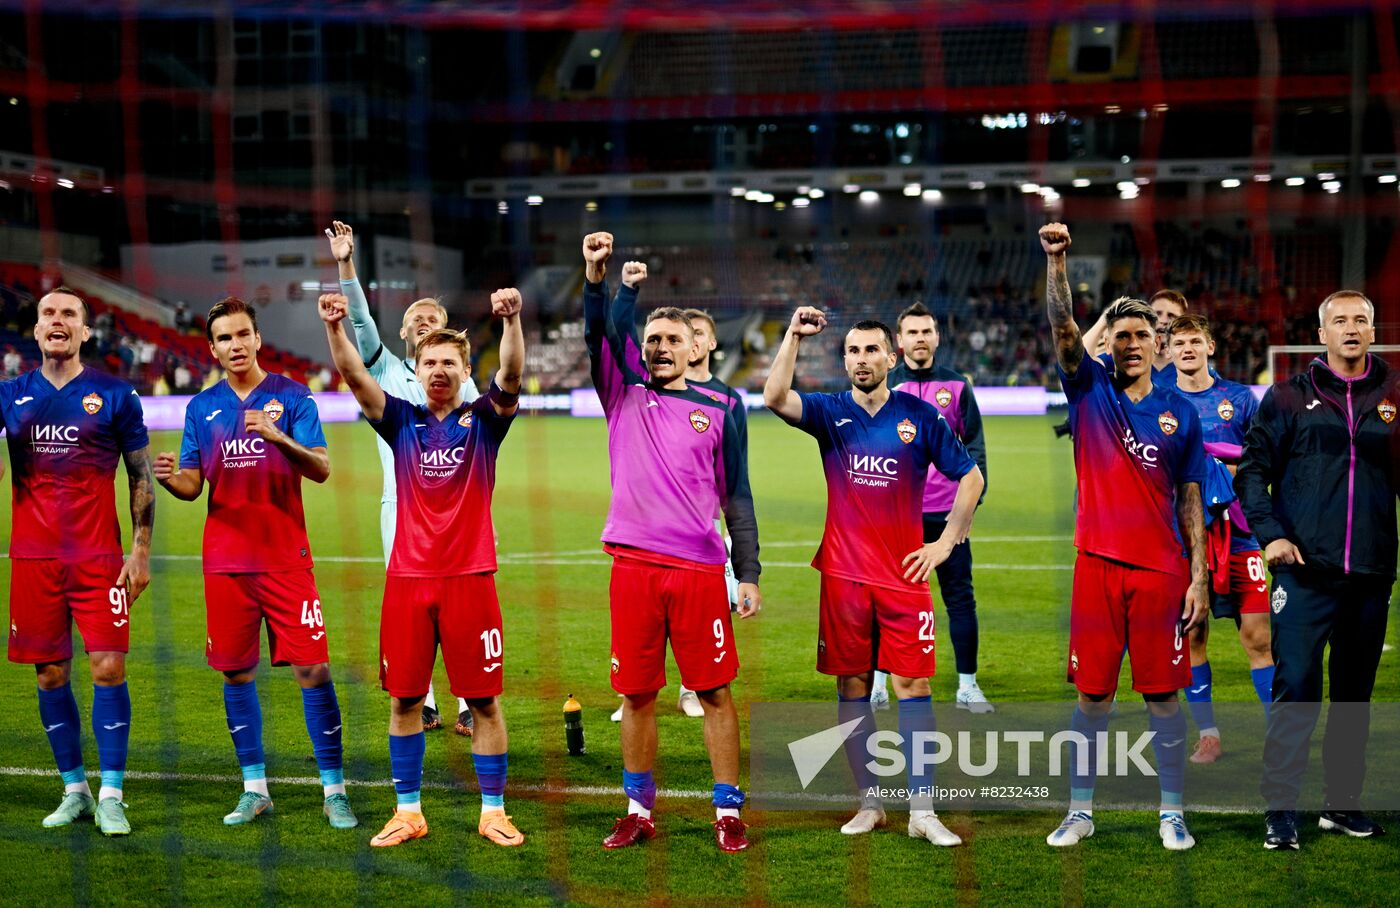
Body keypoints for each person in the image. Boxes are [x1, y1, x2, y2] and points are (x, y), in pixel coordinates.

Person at [764, 306, 983, 846]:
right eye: (852, 351)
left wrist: (945, 543)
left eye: (871, 350)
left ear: (892, 356)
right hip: (843, 576)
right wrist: (792, 335)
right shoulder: (828, 410)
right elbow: (773, 398)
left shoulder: (921, 416)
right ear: (845, 360)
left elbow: (972, 477)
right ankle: (871, 803)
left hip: (904, 575)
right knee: (853, 685)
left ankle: (923, 810)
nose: (862, 360)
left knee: (914, 684)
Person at [319, 287, 525, 849]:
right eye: (430, 361)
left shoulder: (485, 422)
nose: (438, 370)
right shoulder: (400, 420)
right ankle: (408, 811)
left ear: (463, 372)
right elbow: (356, 376)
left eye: (449, 363)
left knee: (483, 700)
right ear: (418, 367)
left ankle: (494, 812)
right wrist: (336, 328)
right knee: (405, 700)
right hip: (407, 583)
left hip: (470, 581)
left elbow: (510, 371)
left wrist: (509, 321)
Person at [580, 232, 761, 853]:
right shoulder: (622, 394)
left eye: (672, 340)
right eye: (651, 339)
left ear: (695, 348)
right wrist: (607, 282)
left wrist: (750, 570)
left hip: (698, 570)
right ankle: (638, 809)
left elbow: (737, 494)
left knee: (713, 691)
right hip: (632, 567)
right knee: (635, 693)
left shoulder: (721, 406)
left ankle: (727, 813)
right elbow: (599, 334)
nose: (659, 347)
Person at [153, 297, 356, 830]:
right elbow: (195, 486)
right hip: (226, 563)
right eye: (224, 338)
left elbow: (322, 469)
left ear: (258, 338)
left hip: (286, 558)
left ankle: (334, 791)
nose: (235, 345)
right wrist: (170, 477)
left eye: (243, 334)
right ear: (214, 348)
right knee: (237, 673)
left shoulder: (291, 396)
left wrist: (279, 437)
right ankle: (254, 788)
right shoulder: (202, 408)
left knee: (314, 670)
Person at [1038, 224, 1209, 852]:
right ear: (1106, 343)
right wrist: (1056, 263)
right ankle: (1079, 811)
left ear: (1157, 343)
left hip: (1162, 573)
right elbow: (1062, 329)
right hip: (1097, 568)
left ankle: (1171, 813)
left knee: (1164, 698)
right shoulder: (1088, 391)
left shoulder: (1179, 413)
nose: (1132, 343)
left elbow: (1190, 497)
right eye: (1121, 335)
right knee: (1092, 699)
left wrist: (1197, 577)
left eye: (1142, 335)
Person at [1235, 290, 1397, 850]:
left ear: (1373, 332)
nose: (1351, 328)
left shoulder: (1395, 397)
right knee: (1297, 689)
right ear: (1322, 333)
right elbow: (1252, 473)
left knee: (1354, 697)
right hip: (1304, 575)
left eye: (1361, 320)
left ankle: (1341, 804)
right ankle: (1281, 810)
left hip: (1371, 575)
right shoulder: (1285, 397)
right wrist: (1272, 534)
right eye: (1340, 321)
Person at [1, 287, 153, 836]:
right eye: (48, 314)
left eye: (69, 314)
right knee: (49, 674)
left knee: (108, 667)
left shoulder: (115, 394)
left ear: (86, 331)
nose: (57, 321)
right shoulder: (11, 394)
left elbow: (141, 475)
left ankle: (111, 793)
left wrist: (140, 549)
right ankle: (75, 790)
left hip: (98, 559)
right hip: (34, 558)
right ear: (36, 330)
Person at [325, 220, 480, 736]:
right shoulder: (386, 368)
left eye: (433, 317)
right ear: (402, 333)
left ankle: (467, 701)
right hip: (401, 505)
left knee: (463, 604)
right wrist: (346, 264)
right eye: (415, 318)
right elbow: (362, 320)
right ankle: (427, 701)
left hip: (459, 510)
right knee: (410, 604)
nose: (423, 321)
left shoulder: (462, 377)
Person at [869, 301, 991, 714]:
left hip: (946, 517)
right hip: (895, 518)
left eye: (927, 331)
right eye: (912, 333)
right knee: (884, 600)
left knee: (959, 599)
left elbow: (975, 451)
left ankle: (967, 686)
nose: (920, 338)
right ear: (898, 342)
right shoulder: (888, 387)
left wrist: (969, 510)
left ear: (937, 337)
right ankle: (878, 684)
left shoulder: (957, 386)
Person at [1164, 315, 1274, 764]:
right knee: (1193, 635)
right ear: (1167, 351)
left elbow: (1260, 460)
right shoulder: (1159, 398)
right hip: (1183, 538)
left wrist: (1219, 470)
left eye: (1195, 341)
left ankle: (1279, 734)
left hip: (1240, 531)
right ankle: (1208, 734)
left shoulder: (1238, 398)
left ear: (1211, 346)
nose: (1187, 348)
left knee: (1259, 636)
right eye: (1178, 343)